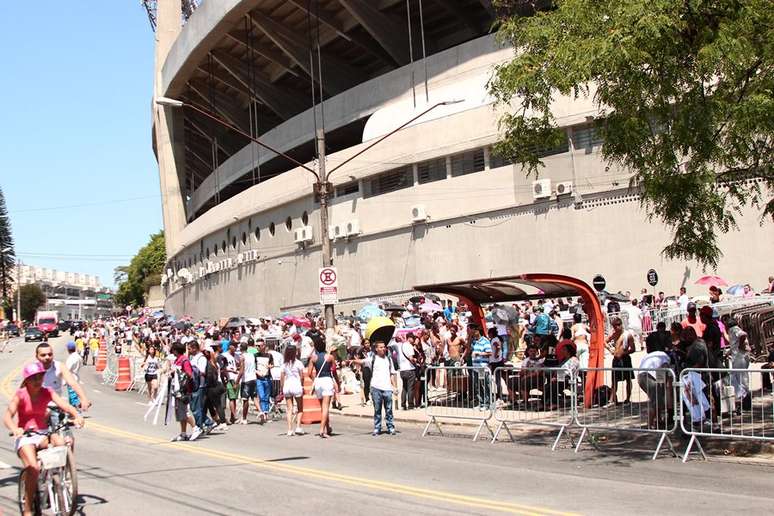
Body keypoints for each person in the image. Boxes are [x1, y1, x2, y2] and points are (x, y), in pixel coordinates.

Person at [4, 362, 84, 516]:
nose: (37, 380)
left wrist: (76, 415)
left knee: (61, 442)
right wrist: (15, 429)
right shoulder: (20, 394)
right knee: (33, 468)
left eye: (40, 377)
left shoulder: (47, 392)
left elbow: (64, 405)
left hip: (42, 433)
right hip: (26, 436)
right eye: (34, 378)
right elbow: (8, 416)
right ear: (27, 380)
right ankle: (28, 508)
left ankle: (58, 478)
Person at [637, 340, 672, 428]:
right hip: (648, 376)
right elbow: (664, 369)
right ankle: (650, 424)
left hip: (641, 376)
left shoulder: (653, 355)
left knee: (657, 398)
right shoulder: (666, 357)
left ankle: (658, 420)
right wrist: (666, 383)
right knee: (655, 401)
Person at [307, 333, 335, 438]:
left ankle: (327, 427)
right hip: (327, 380)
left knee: (322, 407)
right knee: (326, 407)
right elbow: (334, 371)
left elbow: (309, 373)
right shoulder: (330, 357)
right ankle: (322, 430)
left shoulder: (313, 358)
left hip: (318, 381)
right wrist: (337, 383)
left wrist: (315, 380)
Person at [170, 341, 197, 441]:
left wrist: (177, 372)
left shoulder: (184, 361)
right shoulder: (177, 360)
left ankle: (195, 428)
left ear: (176, 350)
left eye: (173, 350)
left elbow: (189, 374)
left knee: (184, 411)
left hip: (183, 390)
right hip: (177, 390)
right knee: (180, 412)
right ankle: (183, 433)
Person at [606, 317, 635, 405]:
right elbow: (605, 341)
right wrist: (610, 349)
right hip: (616, 359)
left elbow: (633, 349)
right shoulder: (614, 334)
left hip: (625, 358)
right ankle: (612, 399)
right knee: (614, 380)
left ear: (621, 325)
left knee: (628, 379)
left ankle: (628, 398)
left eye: (616, 326)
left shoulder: (627, 335)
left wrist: (624, 352)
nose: (615, 328)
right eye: (614, 326)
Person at [280, 345, 305, 436]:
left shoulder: (284, 364)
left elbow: (282, 378)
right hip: (296, 385)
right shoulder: (298, 363)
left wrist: (282, 388)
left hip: (287, 385)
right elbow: (302, 376)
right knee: (300, 408)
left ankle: (290, 429)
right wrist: (302, 386)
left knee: (289, 408)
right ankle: (298, 426)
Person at [468, 324, 492, 410]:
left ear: (477, 331)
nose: (472, 333)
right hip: (475, 367)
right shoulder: (473, 341)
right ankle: (481, 403)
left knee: (484, 385)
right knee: (477, 385)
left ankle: (487, 403)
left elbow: (489, 353)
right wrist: (469, 340)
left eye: (472, 331)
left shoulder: (485, 341)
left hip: (482, 367)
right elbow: (468, 350)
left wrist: (480, 354)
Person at [237, 341, 261, 424]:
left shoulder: (242, 357)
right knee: (254, 396)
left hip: (246, 379)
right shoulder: (251, 355)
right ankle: (261, 411)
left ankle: (244, 418)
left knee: (245, 399)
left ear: (240, 349)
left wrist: (237, 382)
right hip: (253, 378)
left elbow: (241, 371)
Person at [254, 339, 274, 424]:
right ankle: (263, 415)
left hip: (267, 377)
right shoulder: (255, 355)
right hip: (259, 378)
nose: (257, 347)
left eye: (259, 345)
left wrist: (270, 366)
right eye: (256, 345)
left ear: (264, 346)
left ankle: (266, 413)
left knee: (266, 397)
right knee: (261, 396)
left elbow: (272, 364)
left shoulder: (269, 355)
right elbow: (253, 367)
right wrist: (257, 372)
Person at [221, 342, 240, 423]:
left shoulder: (236, 355)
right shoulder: (224, 355)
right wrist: (230, 370)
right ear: (230, 346)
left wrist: (238, 366)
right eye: (234, 346)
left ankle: (232, 417)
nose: (236, 348)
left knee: (234, 398)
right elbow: (223, 368)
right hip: (229, 378)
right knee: (231, 398)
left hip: (236, 378)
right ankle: (234, 416)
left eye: (236, 346)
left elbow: (238, 365)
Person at [397, 334, 417, 410]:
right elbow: (411, 358)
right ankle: (411, 405)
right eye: (413, 338)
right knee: (410, 388)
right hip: (409, 369)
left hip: (402, 370)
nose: (414, 340)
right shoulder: (409, 346)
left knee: (404, 388)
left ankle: (403, 405)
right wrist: (415, 361)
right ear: (409, 338)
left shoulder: (401, 346)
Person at [64, 341, 82, 409]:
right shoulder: (78, 356)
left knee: (72, 394)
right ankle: (72, 409)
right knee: (73, 394)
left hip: (71, 377)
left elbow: (67, 369)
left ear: (68, 349)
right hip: (76, 376)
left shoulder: (71, 358)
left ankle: (76, 408)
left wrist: (64, 380)